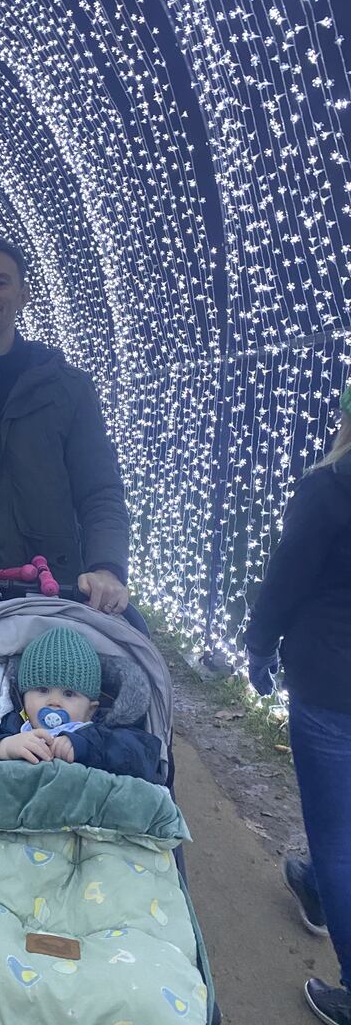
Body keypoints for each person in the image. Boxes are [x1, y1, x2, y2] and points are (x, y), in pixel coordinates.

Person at [0, 236, 131, 614]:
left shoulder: (67, 389)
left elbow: (99, 490)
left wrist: (106, 567)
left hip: (57, 590)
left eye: (0, 281)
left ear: (23, 294)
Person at [245, 384, 351, 1025]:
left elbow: (287, 576)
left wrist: (258, 646)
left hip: (332, 680)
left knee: (339, 840)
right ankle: (314, 882)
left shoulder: (333, 487)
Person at [0, 626, 161, 782]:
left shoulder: (101, 732)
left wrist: (86, 747)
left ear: (90, 710)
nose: (54, 701)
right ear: (23, 698)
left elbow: (144, 756)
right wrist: (3, 747)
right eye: (42, 690)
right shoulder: (16, 726)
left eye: (69, 694)